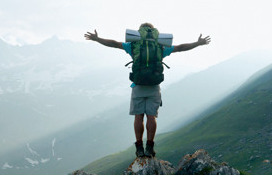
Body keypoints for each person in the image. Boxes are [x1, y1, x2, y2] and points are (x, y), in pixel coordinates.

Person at [84, 23, 210, 158]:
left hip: (138, 86)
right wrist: (198, 43)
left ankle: (139, 147)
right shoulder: (160, 47)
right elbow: (180, 48)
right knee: (151, 116)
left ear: (139, 33)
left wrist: (97, 39)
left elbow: (114, 44)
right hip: (154, 86)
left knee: (139, 116)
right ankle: (150, 147)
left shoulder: (133, 46)